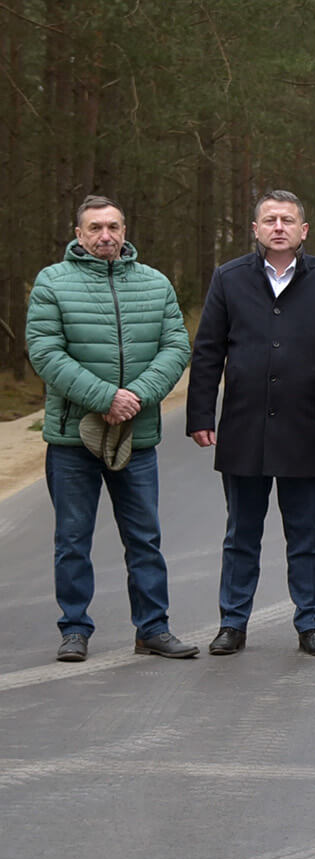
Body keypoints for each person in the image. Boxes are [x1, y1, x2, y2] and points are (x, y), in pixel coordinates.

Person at [26, 195, 196, 662]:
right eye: (96, 227)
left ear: (125, 230)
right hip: (71, 438)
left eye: (114, 226)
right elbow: (45, 352)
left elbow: (176, 346)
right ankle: (75, 630)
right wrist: (105, 398)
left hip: (136, 436)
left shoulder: (155, 283)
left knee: (144, 537)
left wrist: (134, 397)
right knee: (72, 539)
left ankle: (153, 629)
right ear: (79, 234)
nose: (107, 235)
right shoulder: (52, 283)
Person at [187, 190, 315, 658]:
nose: (278, 227)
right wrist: (200, 413)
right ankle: (232, 623)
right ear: (255, 229)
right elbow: (208, 351)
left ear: (304, 231)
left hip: (307, 428)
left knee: (306, 536)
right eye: (269, 220)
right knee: (241, 534)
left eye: (288, 220)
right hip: (243, 428)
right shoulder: (228, 278)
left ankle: (310, 623)